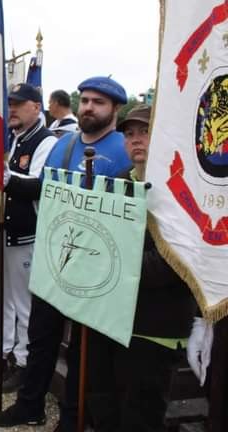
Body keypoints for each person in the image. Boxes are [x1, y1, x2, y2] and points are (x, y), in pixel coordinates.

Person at [0, 76, 132, 431]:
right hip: (54, 256)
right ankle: (30, 404)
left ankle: (73, 418)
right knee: (41, 338)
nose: (88, 107)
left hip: (95, 265)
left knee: (85, 353)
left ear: (114, 109)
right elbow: (44, 189)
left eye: (98, 102)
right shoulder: (62, 145)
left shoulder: (123, 149)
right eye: (84, 100)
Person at [86, 104, 197, 431]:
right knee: (106, 406)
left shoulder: (182, 188)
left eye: (144, 132)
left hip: (156, 326)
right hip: (114, 319)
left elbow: (172, 262)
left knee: (141, 415)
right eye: (130, 134)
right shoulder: (119, 182)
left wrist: (109, 262)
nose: (136, 140)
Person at [0, 83, 57, 391]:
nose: (11, 109)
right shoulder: (15, 139)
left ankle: (23, 361)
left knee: (24, 304)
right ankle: (3, 352)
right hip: (5, 231)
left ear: (36, 107)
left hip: (26, 233)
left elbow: (39, 185)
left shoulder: (46, 141)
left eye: (19, 104)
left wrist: (2, 175)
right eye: (9, 104)